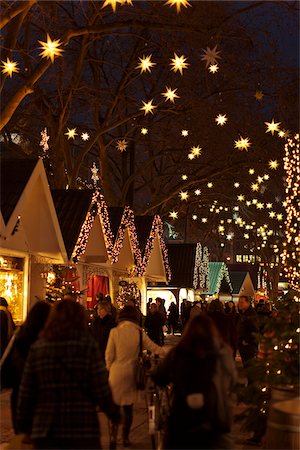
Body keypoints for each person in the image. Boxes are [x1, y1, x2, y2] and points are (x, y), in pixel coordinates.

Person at [17, 300, 120, 450]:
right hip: (82, 428)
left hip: (47, 430)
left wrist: (23, 427)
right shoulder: (87, 347)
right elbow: (101, 387)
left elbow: (26, 392)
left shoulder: (38, 349)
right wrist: (113, 412)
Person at [151, 314, 236, 449]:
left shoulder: (178, 352)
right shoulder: (223, 353)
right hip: (215, 420)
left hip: (183, 420)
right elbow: (232, 380)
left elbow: (159, 376)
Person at [105, 305, 167, 448]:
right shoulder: (139, 333)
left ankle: (113, 437)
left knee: (114, 407)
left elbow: (108, 355)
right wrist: (167, 353)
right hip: (132, 374)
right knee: (128, 408)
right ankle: (125, 437)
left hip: (115, 373)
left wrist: (109, 369)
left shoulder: (114, 332)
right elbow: (154, 348)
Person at [10, 301, 51, 433]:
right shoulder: (43, 341)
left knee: (23, 435)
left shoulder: (20, 335)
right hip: (38, 394)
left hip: (18, 391)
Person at [237, 295, 259, 371]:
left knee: (249, 367)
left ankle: (251, 382)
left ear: (248, 303)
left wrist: (246, 340)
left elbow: (254, 329)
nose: (239, 304)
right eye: (239, 302)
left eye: (242, 302)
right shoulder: (244, 313)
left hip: (248, 346)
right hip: (245, 345)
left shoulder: (250, 314)